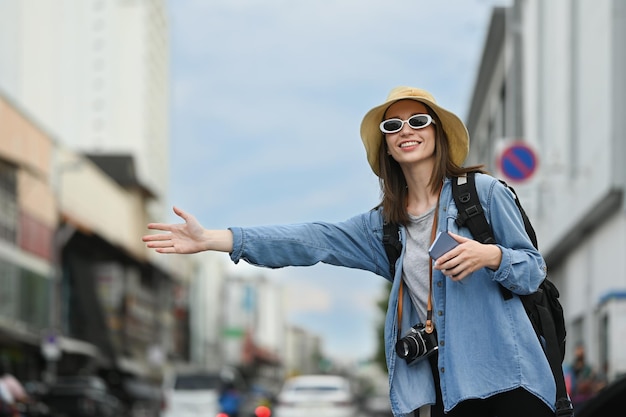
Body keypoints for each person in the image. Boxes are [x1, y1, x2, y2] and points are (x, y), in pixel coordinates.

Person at [143, 86, 556, 417]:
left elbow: (532, 269)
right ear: (386, 146)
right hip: (449, 393)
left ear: (437, 133)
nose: (405, 130)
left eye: (418, 120)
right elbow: (313, 239)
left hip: (510, 383)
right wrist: (215, 239)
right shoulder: (384, 227)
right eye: (393, 126)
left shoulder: (481, 194)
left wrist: (491, 256)